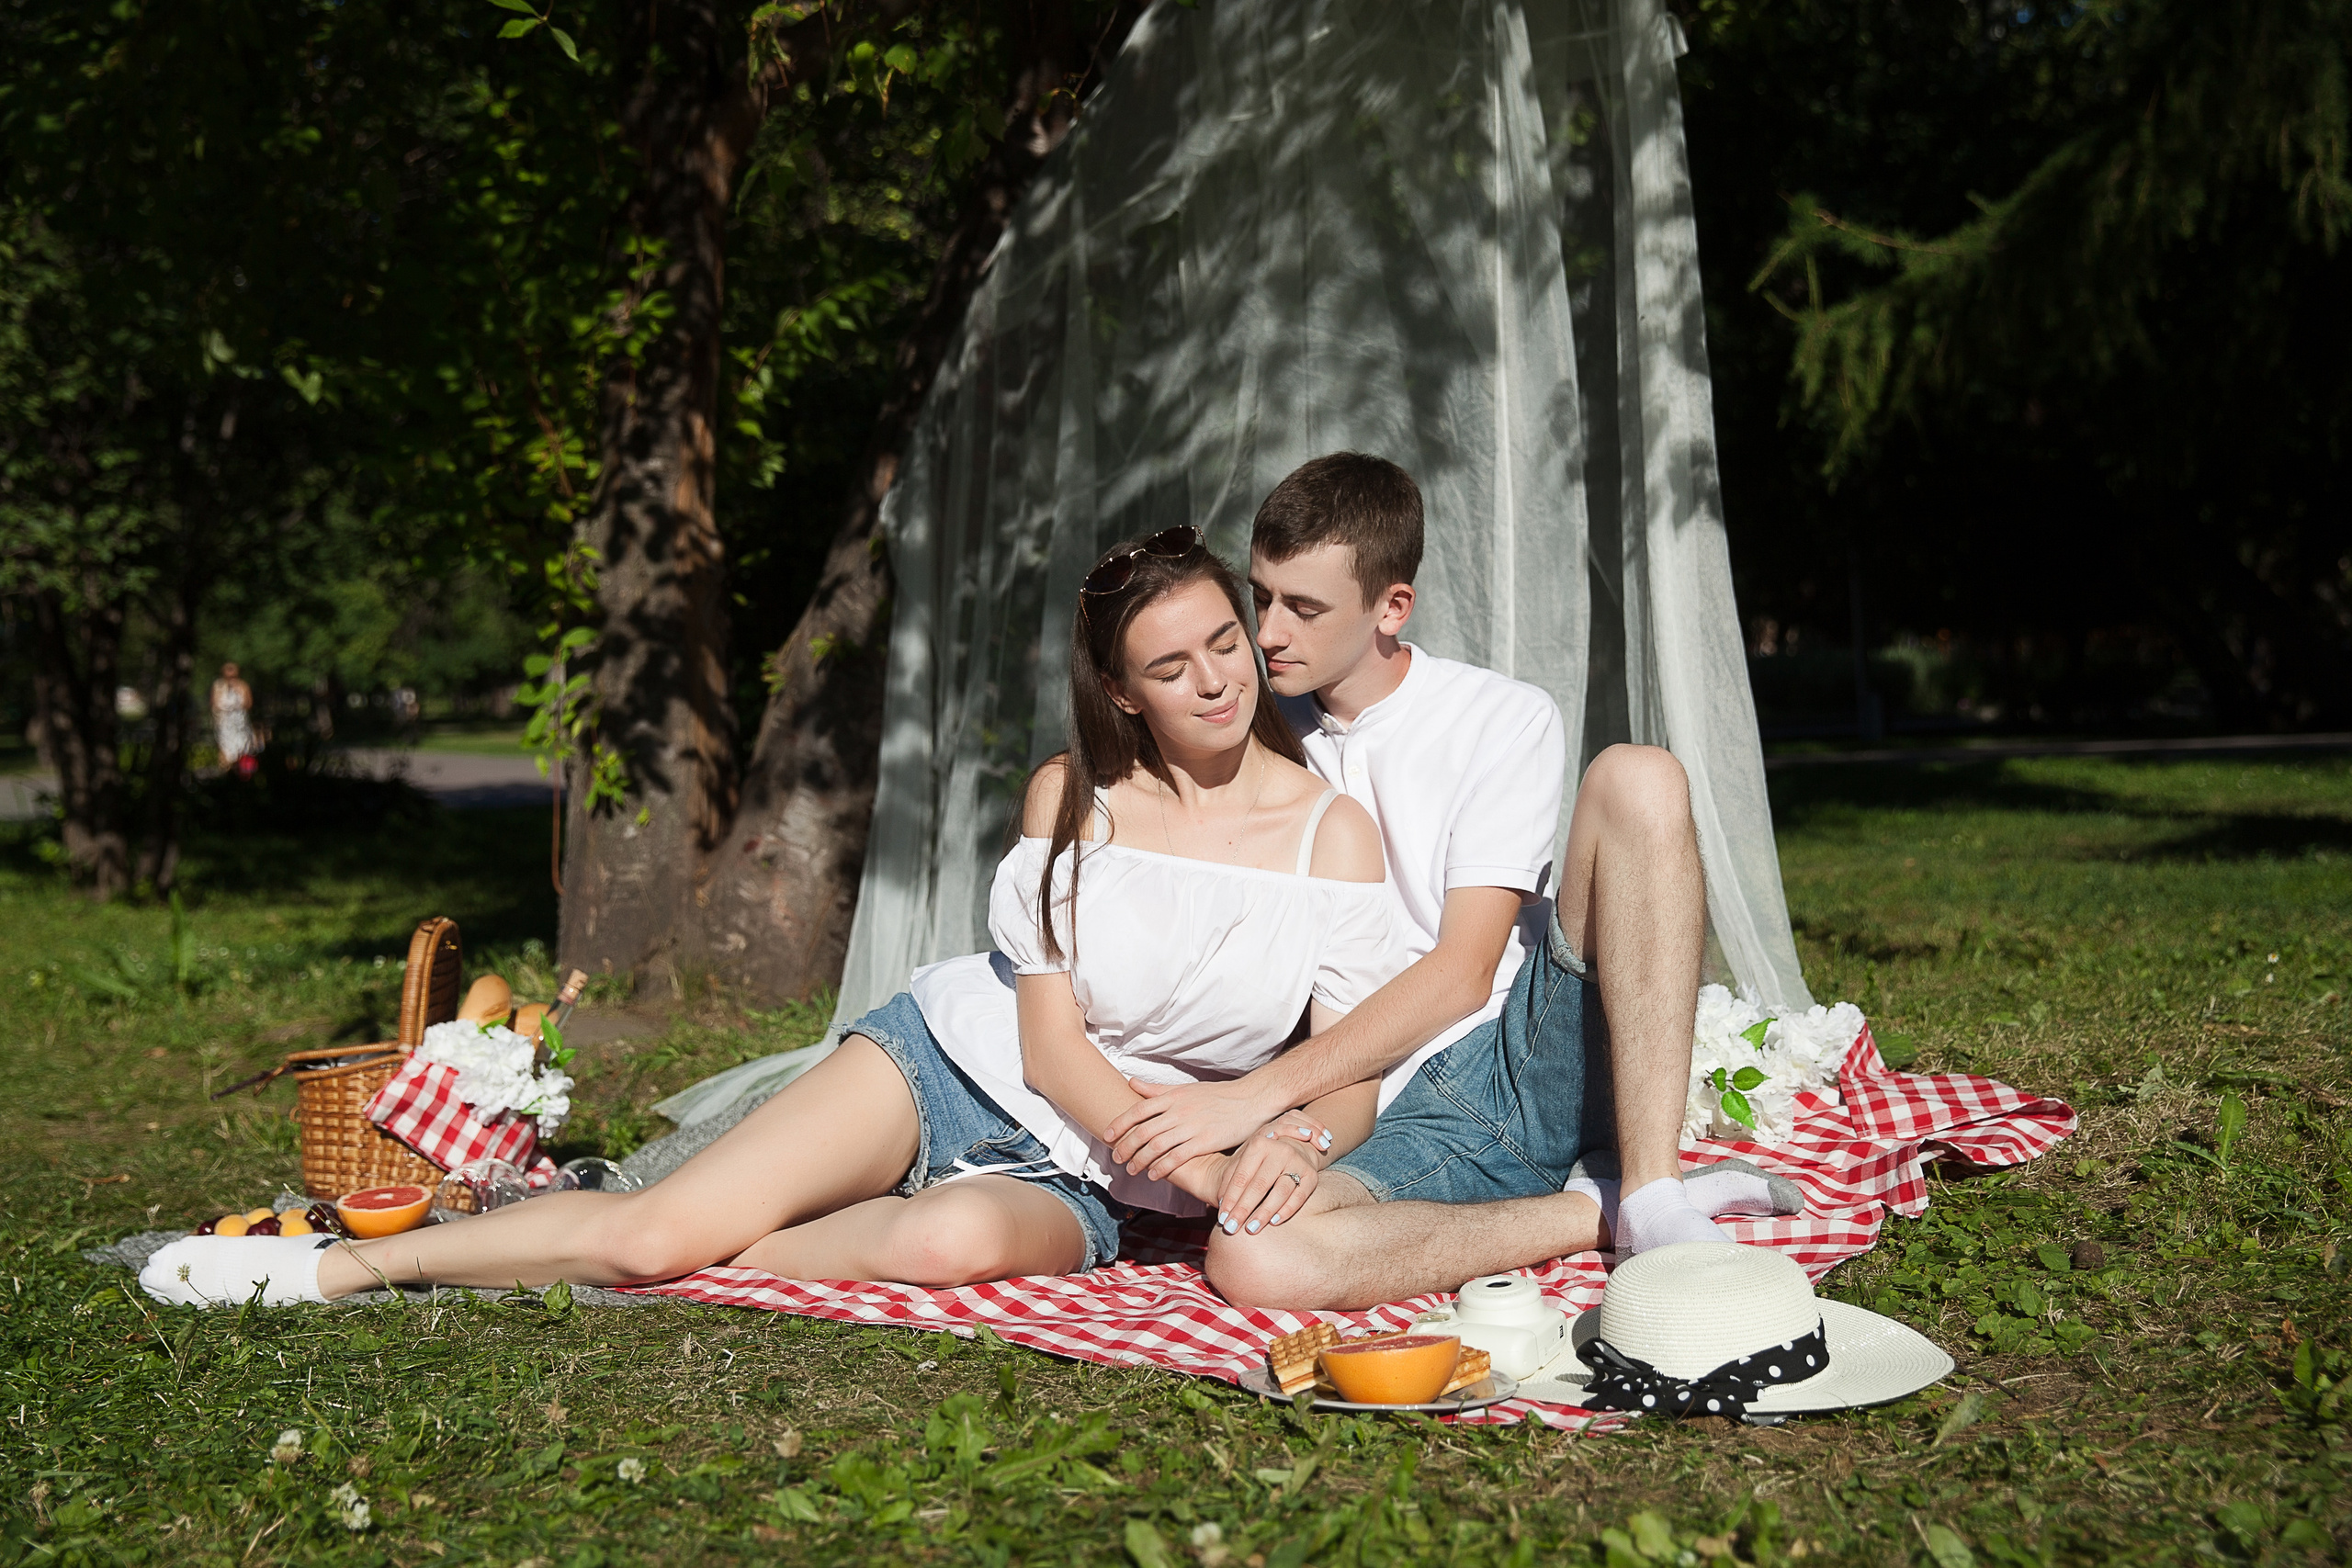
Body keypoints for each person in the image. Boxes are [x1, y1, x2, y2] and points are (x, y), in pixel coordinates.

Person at [141, 534, 1397, 1308]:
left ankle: (651, 1233)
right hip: (962, 1069)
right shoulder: (1075, 800)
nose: (1220, 678)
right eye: (1174, 667)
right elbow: (1056, 1047)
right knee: (648, 1239)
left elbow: (1345, 1069)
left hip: (1113, 1180)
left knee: (953, 1239)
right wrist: (1214, 1162)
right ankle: (341, 1268)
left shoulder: (1328, 828)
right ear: (1122, 690)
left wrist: (1290, 1143)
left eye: (1227, 641)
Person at [1100, 454, 1795, 1309]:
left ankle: (1652, 1185)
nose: (1269, 632)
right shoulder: (1241, 724)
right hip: (1377, 1109)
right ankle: (1597, 1210)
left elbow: (1467, 969)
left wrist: (1251, 1100)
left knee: (1639, 775)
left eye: (1305, 607)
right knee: (1256, 1260)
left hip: (1524, 1051)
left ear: (1392, 607)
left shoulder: (1500, 716)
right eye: (1263, 597)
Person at [210, 662, 254, 772]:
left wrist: (237, 691)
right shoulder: (218, 686)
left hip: (240, 723)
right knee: (226, 750)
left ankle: (242, 769)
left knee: (242, 748)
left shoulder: (243, 686)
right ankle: (226, 770)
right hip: (225, 723)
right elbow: (214, 704)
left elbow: (248, 703)